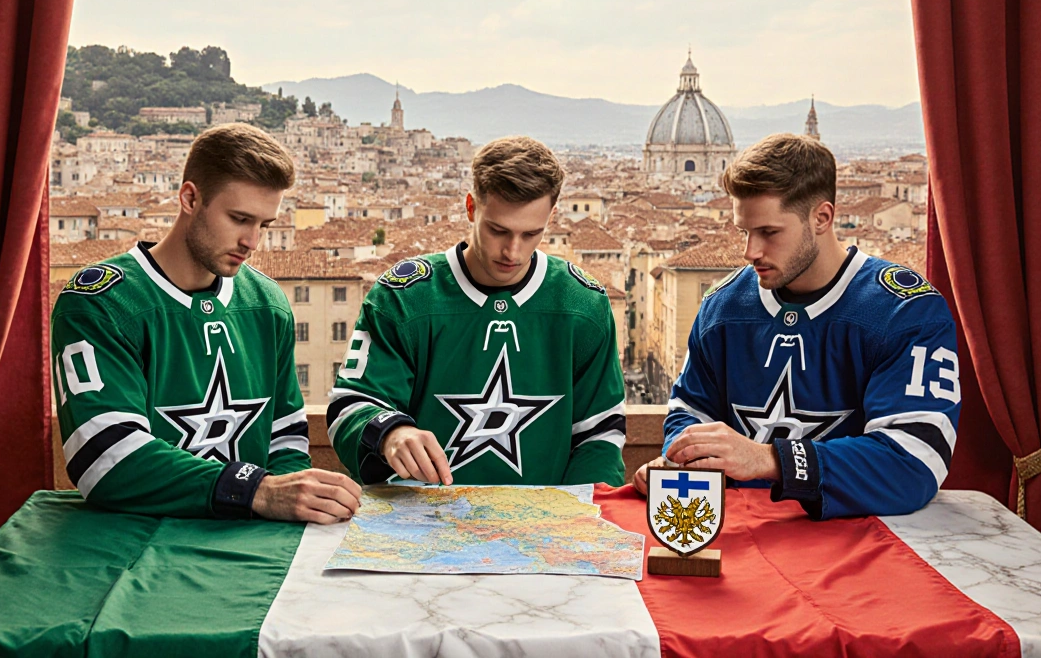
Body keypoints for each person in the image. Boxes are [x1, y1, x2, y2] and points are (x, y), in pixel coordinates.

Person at [632, 134, 960, 519]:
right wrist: (685, 459)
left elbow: (915, 461)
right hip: (740, 537)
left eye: (769, 233)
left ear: (822, 217)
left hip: (861, 547)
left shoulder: (906, 312)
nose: (750, 251)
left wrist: (771, 460)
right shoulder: (722, 308)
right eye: (745, 232)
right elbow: (689, 413)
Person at [51, 123, 361, 523]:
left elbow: (285, 439)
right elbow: (104, 456)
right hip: (134, 548)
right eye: (239, 218)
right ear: (190, 198)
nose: (253, 241)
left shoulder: (268, 303)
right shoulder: (99, 303)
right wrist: (257, 490)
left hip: (251, 549)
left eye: (263, 225)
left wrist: (294, 502)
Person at [329, 136, 626, 486]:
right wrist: (389, 433)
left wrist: (581, 521)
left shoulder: (583, 305)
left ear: (552, 217)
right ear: (471, 208)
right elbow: (350, 406)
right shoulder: (403, 298)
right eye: (498, 230)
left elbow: (600, 437)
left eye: (532, 233)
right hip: (418, 525)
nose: (513, 252)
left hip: (546, 532)